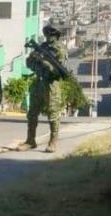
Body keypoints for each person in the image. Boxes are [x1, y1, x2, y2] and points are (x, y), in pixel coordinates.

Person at [17, 25, 67, 153]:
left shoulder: (60, 50)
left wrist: (44, 62)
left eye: (51, 34)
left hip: (51, 84)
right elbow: (29, 62)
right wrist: (37, 63)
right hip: (38, 82)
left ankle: (53, 142)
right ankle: (30, 140)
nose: (48, 37)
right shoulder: (41, 47)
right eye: (47, 34)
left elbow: (58, 70)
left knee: (53, 113)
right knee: (32, 113)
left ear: (56, 35)